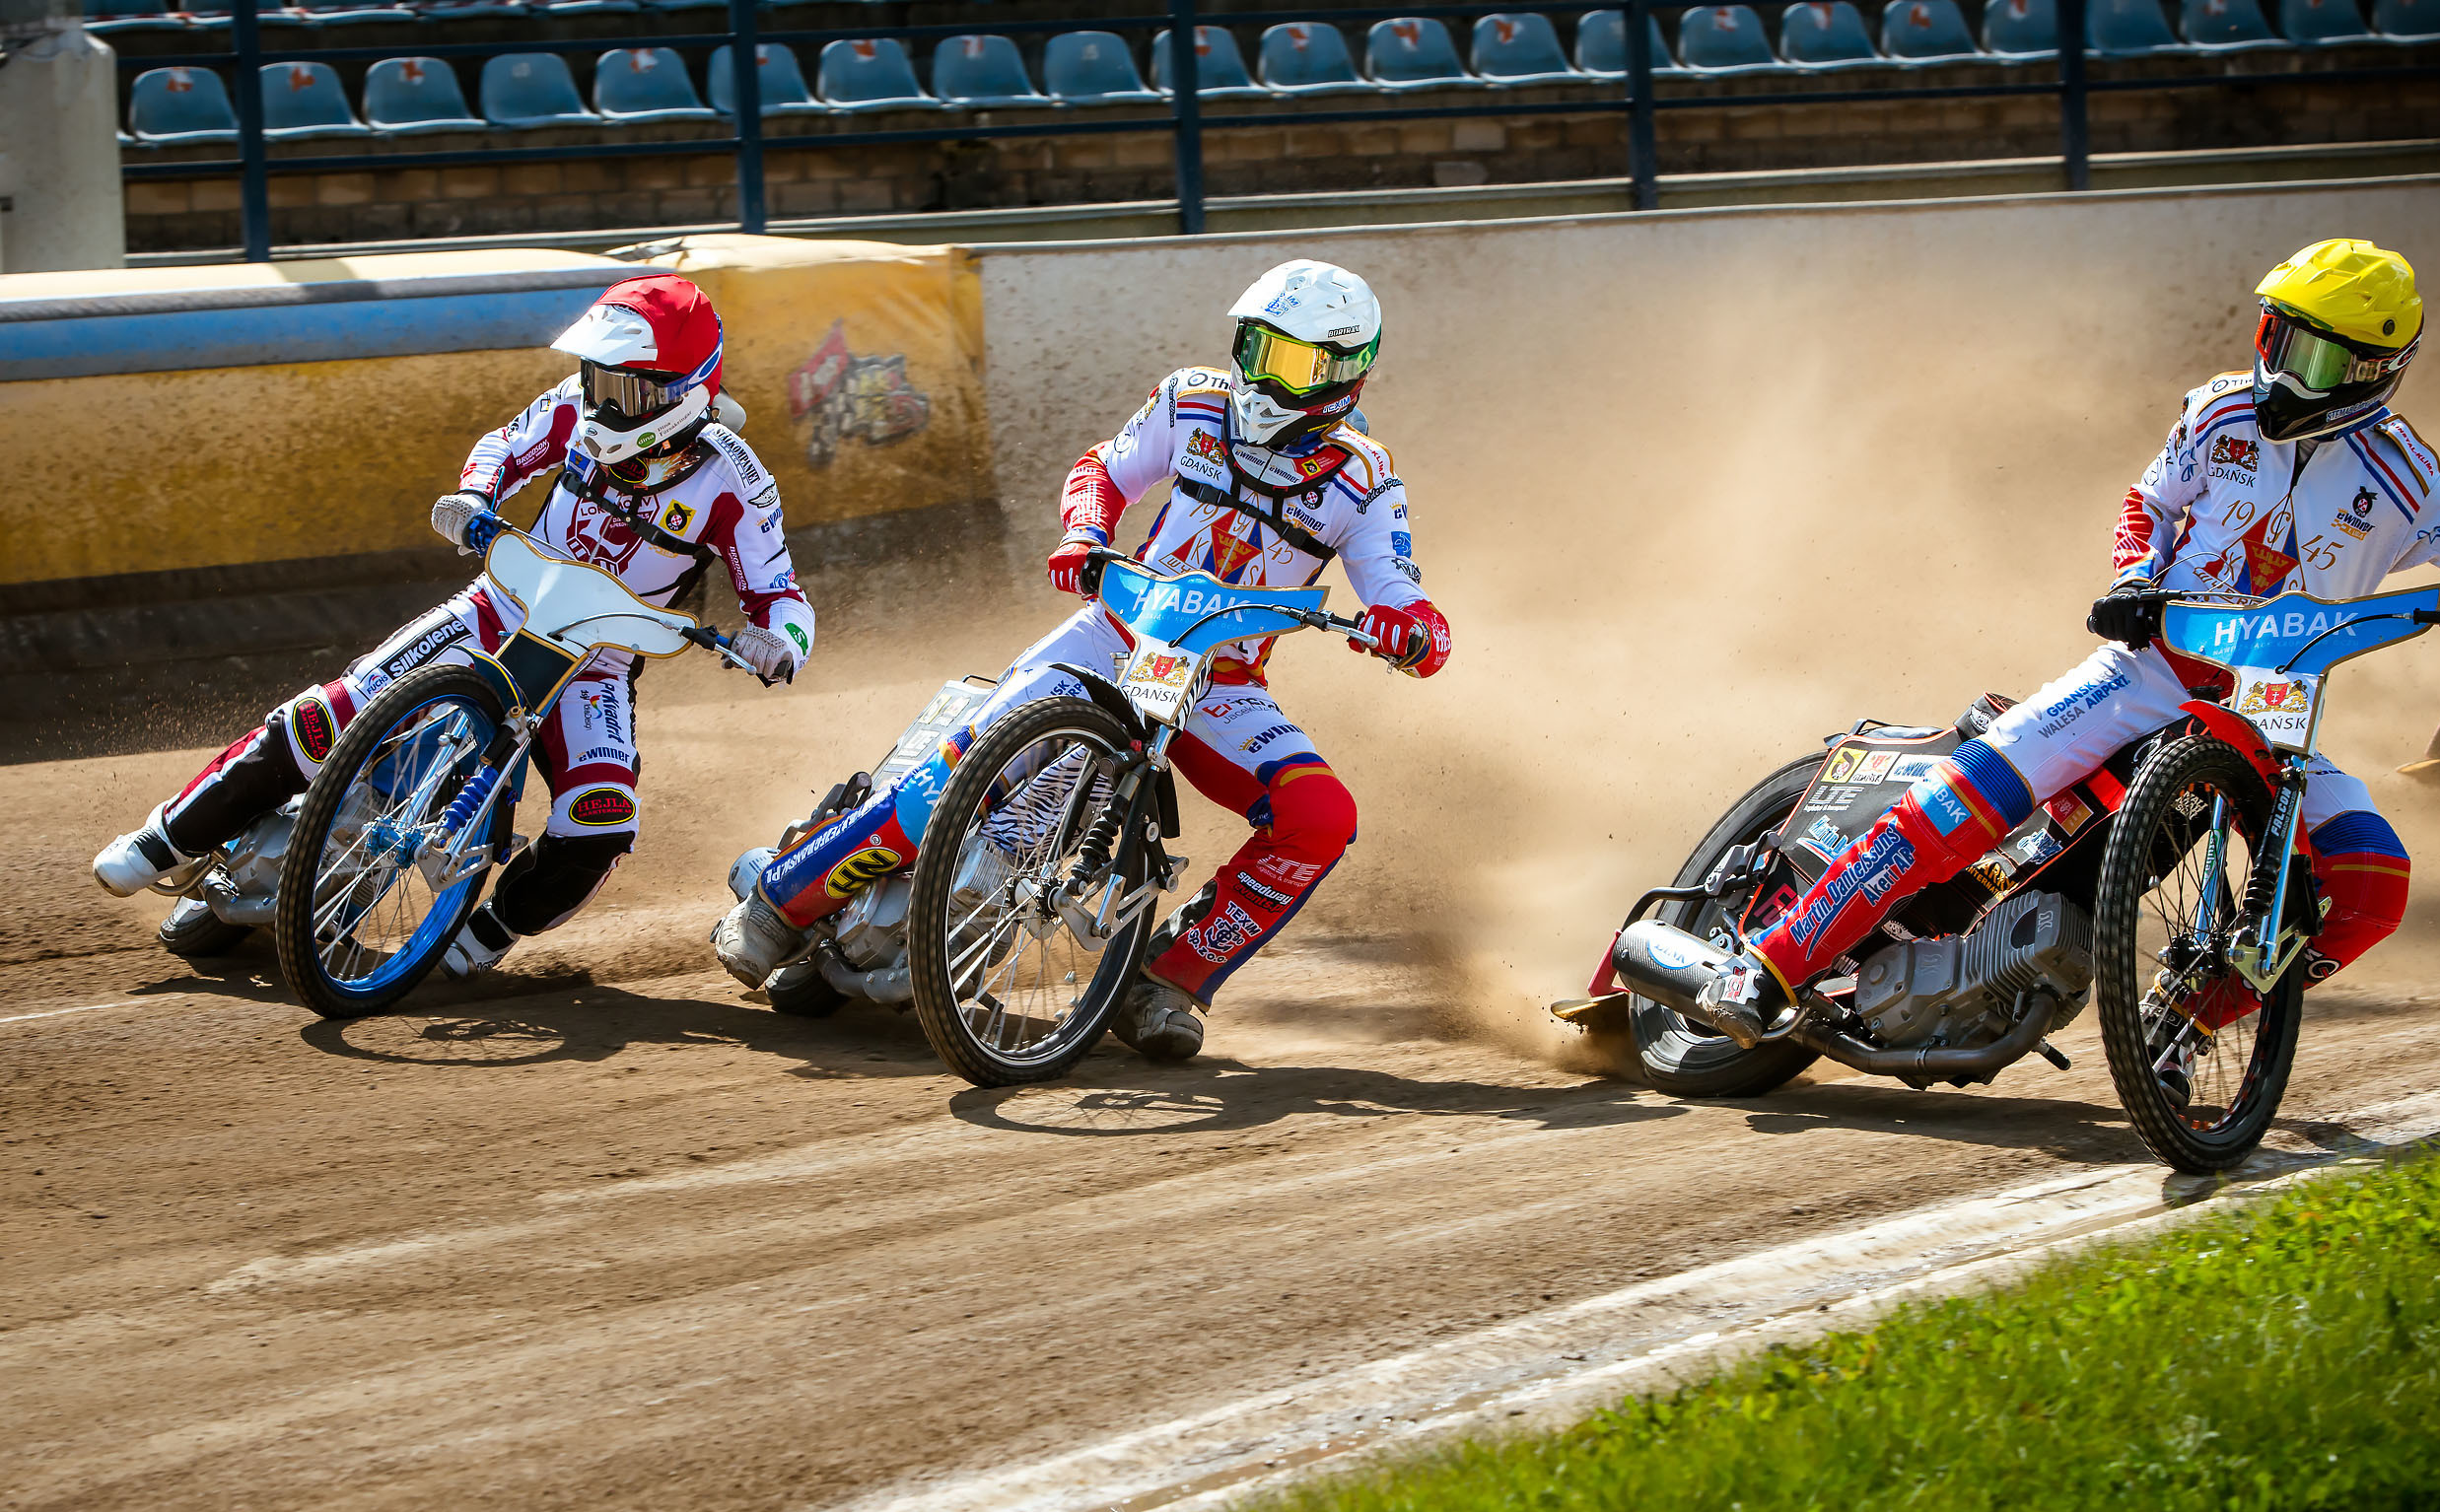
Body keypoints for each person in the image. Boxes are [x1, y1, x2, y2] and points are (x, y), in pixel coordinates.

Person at [1694, 238, 2440, 1101]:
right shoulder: (2217, 413)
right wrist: (2132, 578)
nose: (2273, 365)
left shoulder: (2407, 474)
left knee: (2373, 889)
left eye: (2303, 351)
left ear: (2368, 371)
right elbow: (2148, 505)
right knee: (1947, 814)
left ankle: (2185, 1023)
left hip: (2275, 713)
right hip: (2144, 673)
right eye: (2272, 333)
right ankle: (1767, 967)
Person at [713, 257, 1449, 1061]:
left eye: (1290, 361)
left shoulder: (1365, 483)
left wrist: (1408, 631)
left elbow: (1399, 591)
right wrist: (1085, 533)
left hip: (1218, 681)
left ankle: (1164, 980)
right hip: (1113, 629)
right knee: (949, 780)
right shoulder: (1192, 400)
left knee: (1321, 817)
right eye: (1254, 346)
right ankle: (776, 906)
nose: (1260, 376)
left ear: (1344, 375)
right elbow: (1104, 467)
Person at [93, 274, 814, 979]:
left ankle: (489, 929)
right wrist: (473, 495)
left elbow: (783, 596)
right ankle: (167, 839)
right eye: (596, 378)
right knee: (334, 712)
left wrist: (779, 642)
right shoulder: (572, 408)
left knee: (601, 818)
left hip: (595, 663)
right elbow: (503, 445)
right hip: (497, 606)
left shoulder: (736, 481)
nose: (599, 401)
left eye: (623, 389)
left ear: (680, 395)